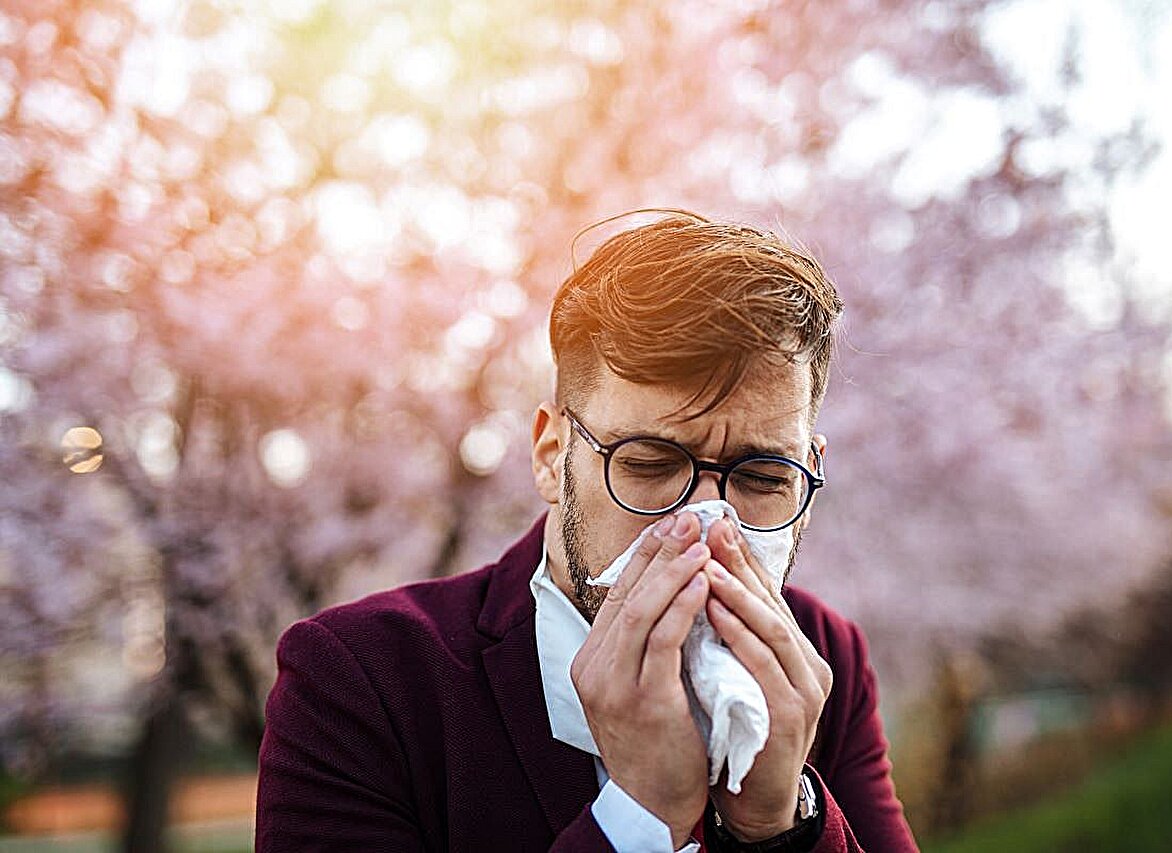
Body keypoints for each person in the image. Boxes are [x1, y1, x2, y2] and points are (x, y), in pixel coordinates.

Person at [255, 211, 919, 852]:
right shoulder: (361, 680)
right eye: (651, 464)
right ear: (551, 455)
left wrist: (782, 825)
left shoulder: (824, 660)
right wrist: (636, 819)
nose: (708, 529)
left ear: (810, 471)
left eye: (765, 477)